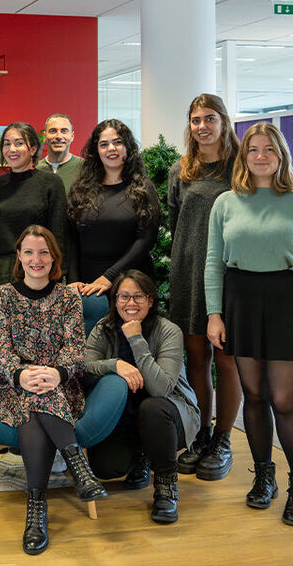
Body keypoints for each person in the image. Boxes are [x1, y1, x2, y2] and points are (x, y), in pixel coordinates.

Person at [0, 225, 106, 556]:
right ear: (19, 257)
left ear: (54, 258)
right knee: (34, 392)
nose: (36, 259)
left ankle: (36, 511)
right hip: (10, 383)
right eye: (29, 252)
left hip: (58, 383)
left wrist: (57, 373)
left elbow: (75, 350)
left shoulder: (68, 298)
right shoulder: (3, 296)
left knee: (40, 394)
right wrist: (21, 375)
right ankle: (79, 468)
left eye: (43, 253)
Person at [204, 122, 293, 526]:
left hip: (286, 299)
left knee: (285, 400)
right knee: (254, 395)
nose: (260, 156)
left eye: (269, 149)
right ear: (244, 156)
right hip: (240, 298)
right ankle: (263, 476)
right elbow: (213, 262)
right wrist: (214, 314)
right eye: (253, 149)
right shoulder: (226, 202)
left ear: (281, 155)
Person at [85, 270, 200, 524]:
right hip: (124, 416)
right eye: (123, 296)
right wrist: (115, 365)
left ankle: (166, 485)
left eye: (138, 296)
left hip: (168, 414)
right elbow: (84, 366)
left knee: (152, 407)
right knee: (105, 467)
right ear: (115, 300)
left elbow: (160, 388)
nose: (131, 303)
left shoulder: (168, 331)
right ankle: (141, 456)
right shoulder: (103, 328)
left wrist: (136, 338)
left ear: (150, 300)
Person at [168, 94, 241, 480]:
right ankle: (202, 434)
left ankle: (224, 439)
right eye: (195, 120)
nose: (202, 126)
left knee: (226, 359)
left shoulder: (241, 168)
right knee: (196, 357)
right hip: (187, 273)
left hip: (229, 276)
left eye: (209, 118)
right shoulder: (181, 170)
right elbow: (175, 220)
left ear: (223, 121)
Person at [67, 119, 161, 295]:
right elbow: (72, 239)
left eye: (118, 142)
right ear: (96, 151)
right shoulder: (80, 189)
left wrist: (109, 276)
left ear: (128, 147)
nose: (111, 148)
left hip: (131, 282)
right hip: (87, 284)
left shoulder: (143, 188)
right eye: (104, 144)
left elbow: (146, 239)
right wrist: (73, 279)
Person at [0, 122, 68, 291]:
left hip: (39, 271)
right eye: (7, 144)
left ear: (33, 149)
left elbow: (59, 235)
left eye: (19, 143)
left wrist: (56, 275)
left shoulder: (51, 183)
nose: (12, 149)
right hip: (0, 274)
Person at [36, 113, 83, 194]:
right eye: (53, 131)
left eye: (64, 131)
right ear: (45, 136)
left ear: (72, 136)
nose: (59, 136)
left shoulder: (84, 168)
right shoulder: (35, 170)